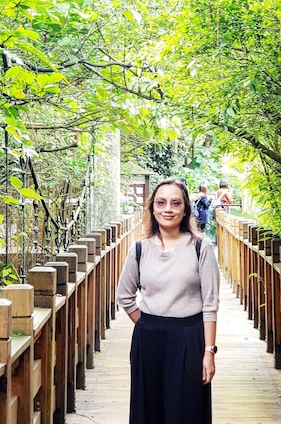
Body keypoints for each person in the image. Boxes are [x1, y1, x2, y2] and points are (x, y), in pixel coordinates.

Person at [117, 178, 220, 424]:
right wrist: (149, 324)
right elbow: (125, 296)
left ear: (185, 209)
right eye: (161, 203)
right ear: (152, 207)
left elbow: (210, 304)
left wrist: (209, 352)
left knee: (187, 411)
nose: (168, 209)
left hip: (189, 337)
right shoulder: (140, 248)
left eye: (175, 203)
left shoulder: (200, 247)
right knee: (148, 411)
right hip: (149, 339)